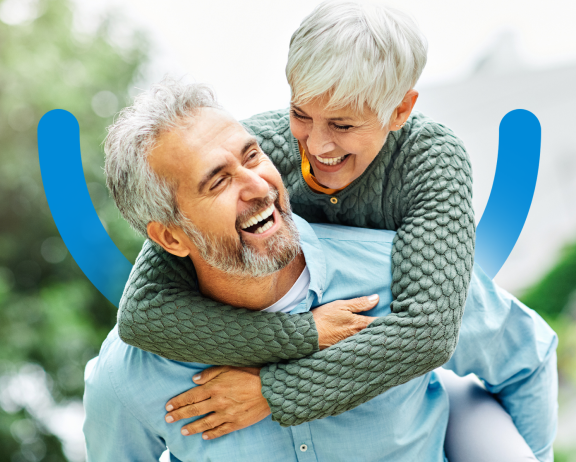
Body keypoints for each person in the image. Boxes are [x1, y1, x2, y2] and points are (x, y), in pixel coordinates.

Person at [83, 80, 557, 461]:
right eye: (218, 181)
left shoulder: (400, 276)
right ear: (170, 237)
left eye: (252, 156)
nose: (257, 186)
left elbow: (528, 358)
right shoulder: (131, 377)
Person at [116, 0, 475, 430]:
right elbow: (144, 313)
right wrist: (304, 335)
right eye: (301, 114)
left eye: (342, 125)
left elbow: (427, 333)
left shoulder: (431, 160)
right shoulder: (254, 152)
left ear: (400, 109)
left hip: (451, 367)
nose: (317, 145)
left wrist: (273, 390)